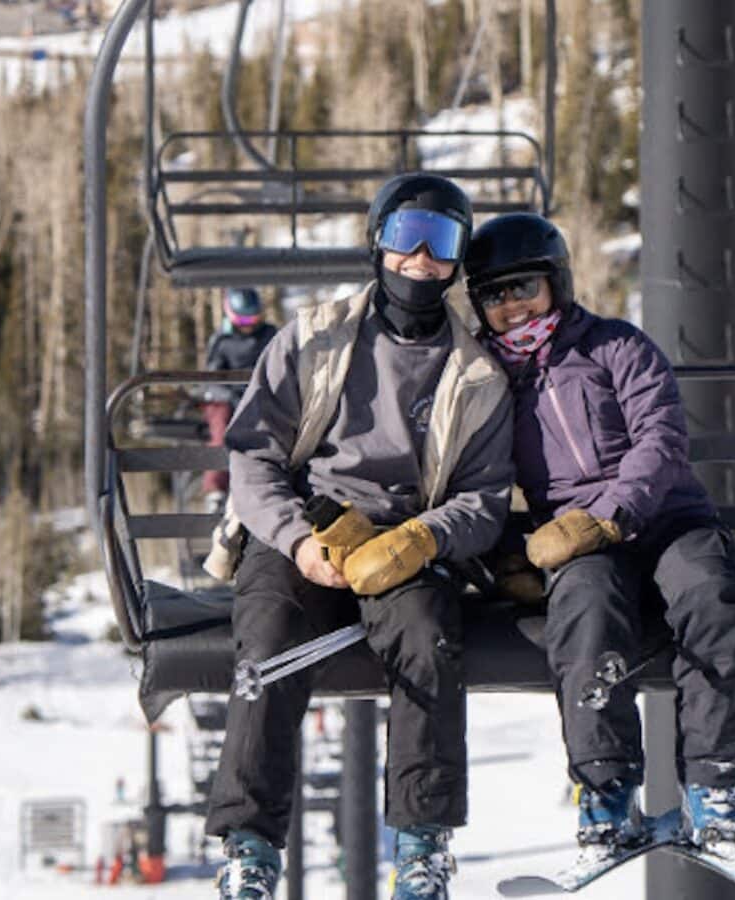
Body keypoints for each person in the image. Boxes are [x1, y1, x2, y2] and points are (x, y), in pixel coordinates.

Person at [204, 173, 513, 900]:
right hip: (312, 524)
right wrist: (297, 540)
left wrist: (423, 541)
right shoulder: (315, 339)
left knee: (428, 631)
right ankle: (250, 845)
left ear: (458, 259)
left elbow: (485, 498)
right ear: (379, 240)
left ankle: (421, 844)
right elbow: (253, 454)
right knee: (271, 632)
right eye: (407, 237)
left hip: (406, 537)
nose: (421, 261)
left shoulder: (477, 374)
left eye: (442, 243)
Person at [464, 213, 735, 864]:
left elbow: (660, 438)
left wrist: (612, 512)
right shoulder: (486, 382)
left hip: (664, 515)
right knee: (584, 614)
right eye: (494, 295)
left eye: (523, 287)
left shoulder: (614, 347)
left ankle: (712, 787)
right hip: (576, 542)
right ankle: (606, 794)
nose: (511, 306)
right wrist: (503, 555)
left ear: (556, 283)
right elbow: (473, 474)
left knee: (714, 599)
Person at [201, 288, 277, 514]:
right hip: (228, 398)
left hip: (260, 395)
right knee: (221, 425)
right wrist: (228, 394)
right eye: (243, 320)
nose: (248, 325)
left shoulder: (270, 335)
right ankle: (216, 488)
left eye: (253, 319)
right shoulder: (222, 341)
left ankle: (272, 482)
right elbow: (211, 378)